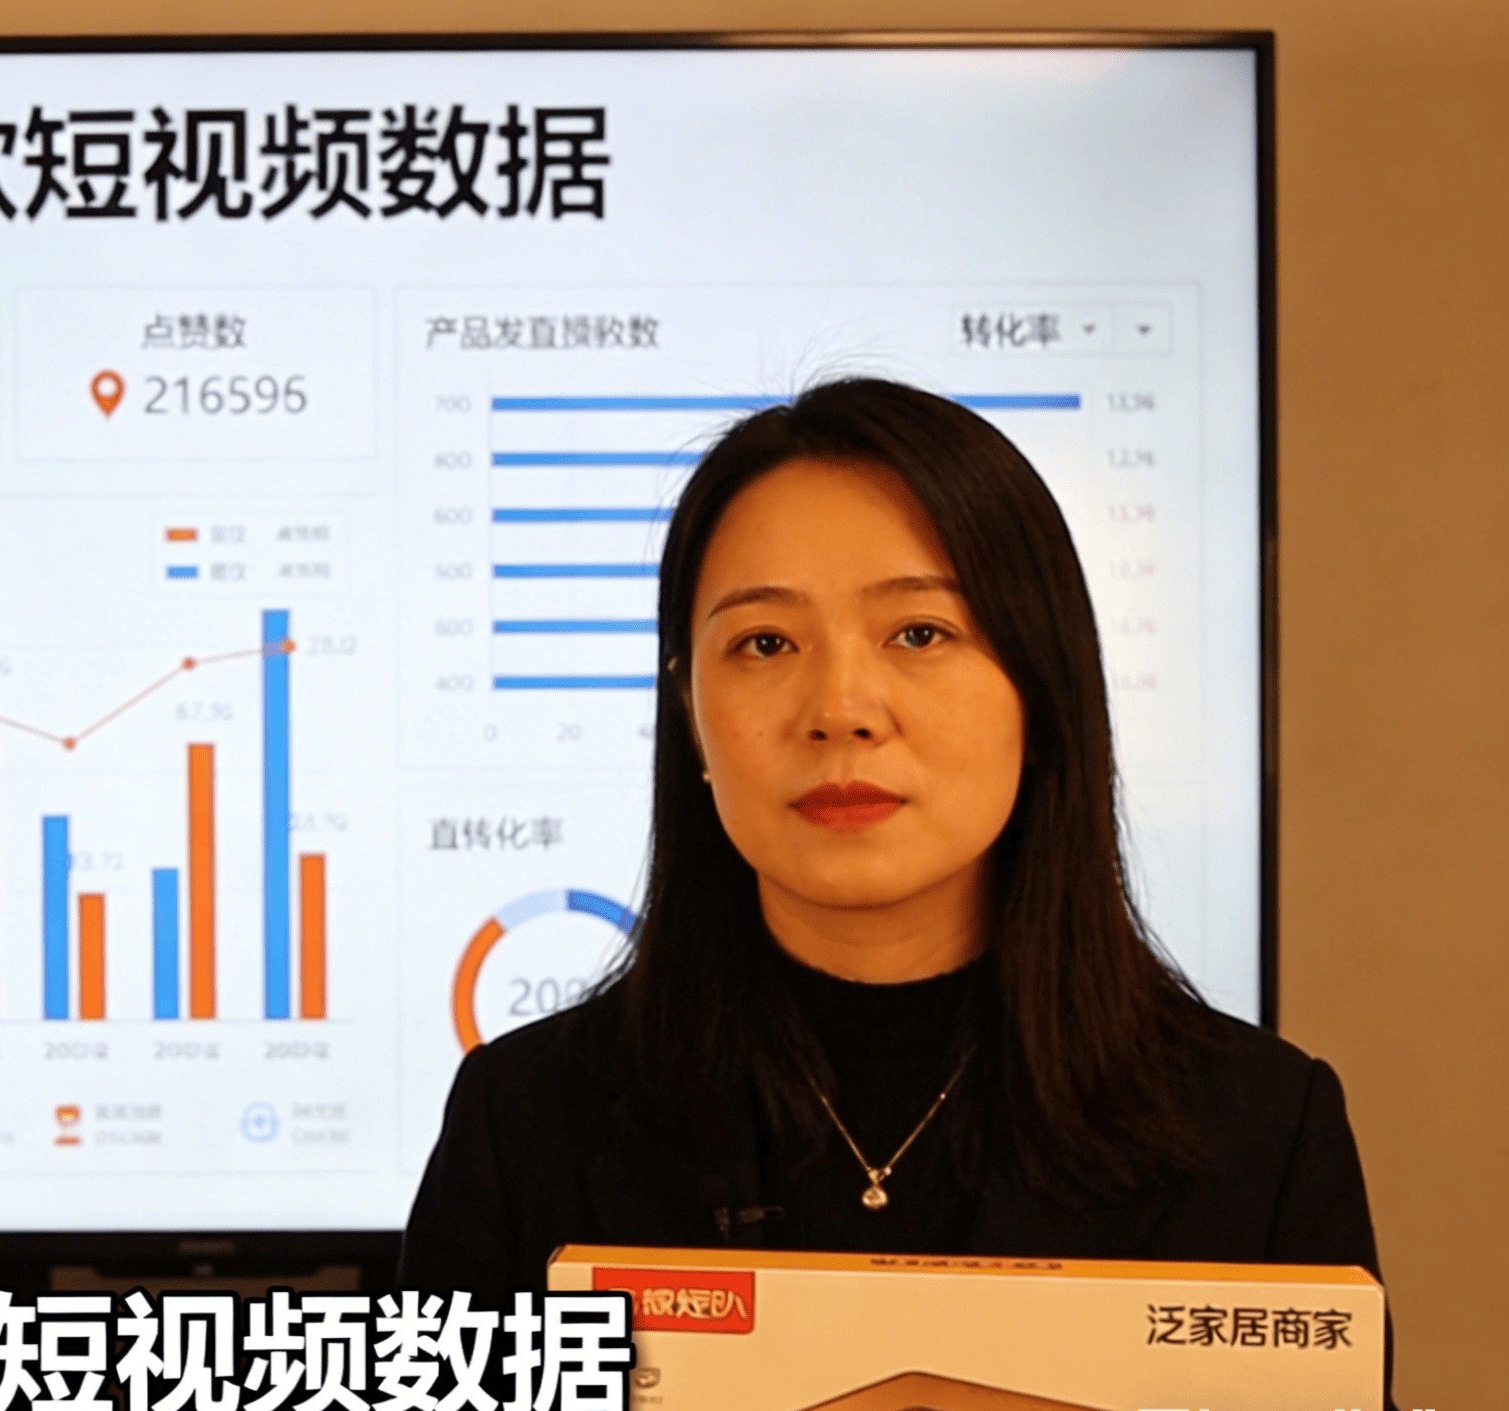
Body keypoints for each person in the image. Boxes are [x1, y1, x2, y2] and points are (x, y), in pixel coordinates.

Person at [398, 379, 1380, 1315]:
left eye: (918, 633)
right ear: (689, 711)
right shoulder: (524, 1123)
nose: (840, 709)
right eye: (765, 643)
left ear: (1043, 690)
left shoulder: (1263, 1131)